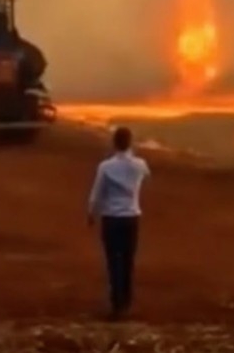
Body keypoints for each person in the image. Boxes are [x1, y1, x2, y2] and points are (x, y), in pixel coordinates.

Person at [87, 126, 151, 321]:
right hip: (131, 218)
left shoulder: (105, 167)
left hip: (111, 218)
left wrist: (91, 213)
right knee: (128, 260)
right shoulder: (139, 165)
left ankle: (117, 303)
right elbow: (147, 175)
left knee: (113, 261)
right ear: (130, 142)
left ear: (114, 143)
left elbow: (96, 193)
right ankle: (126, 301)